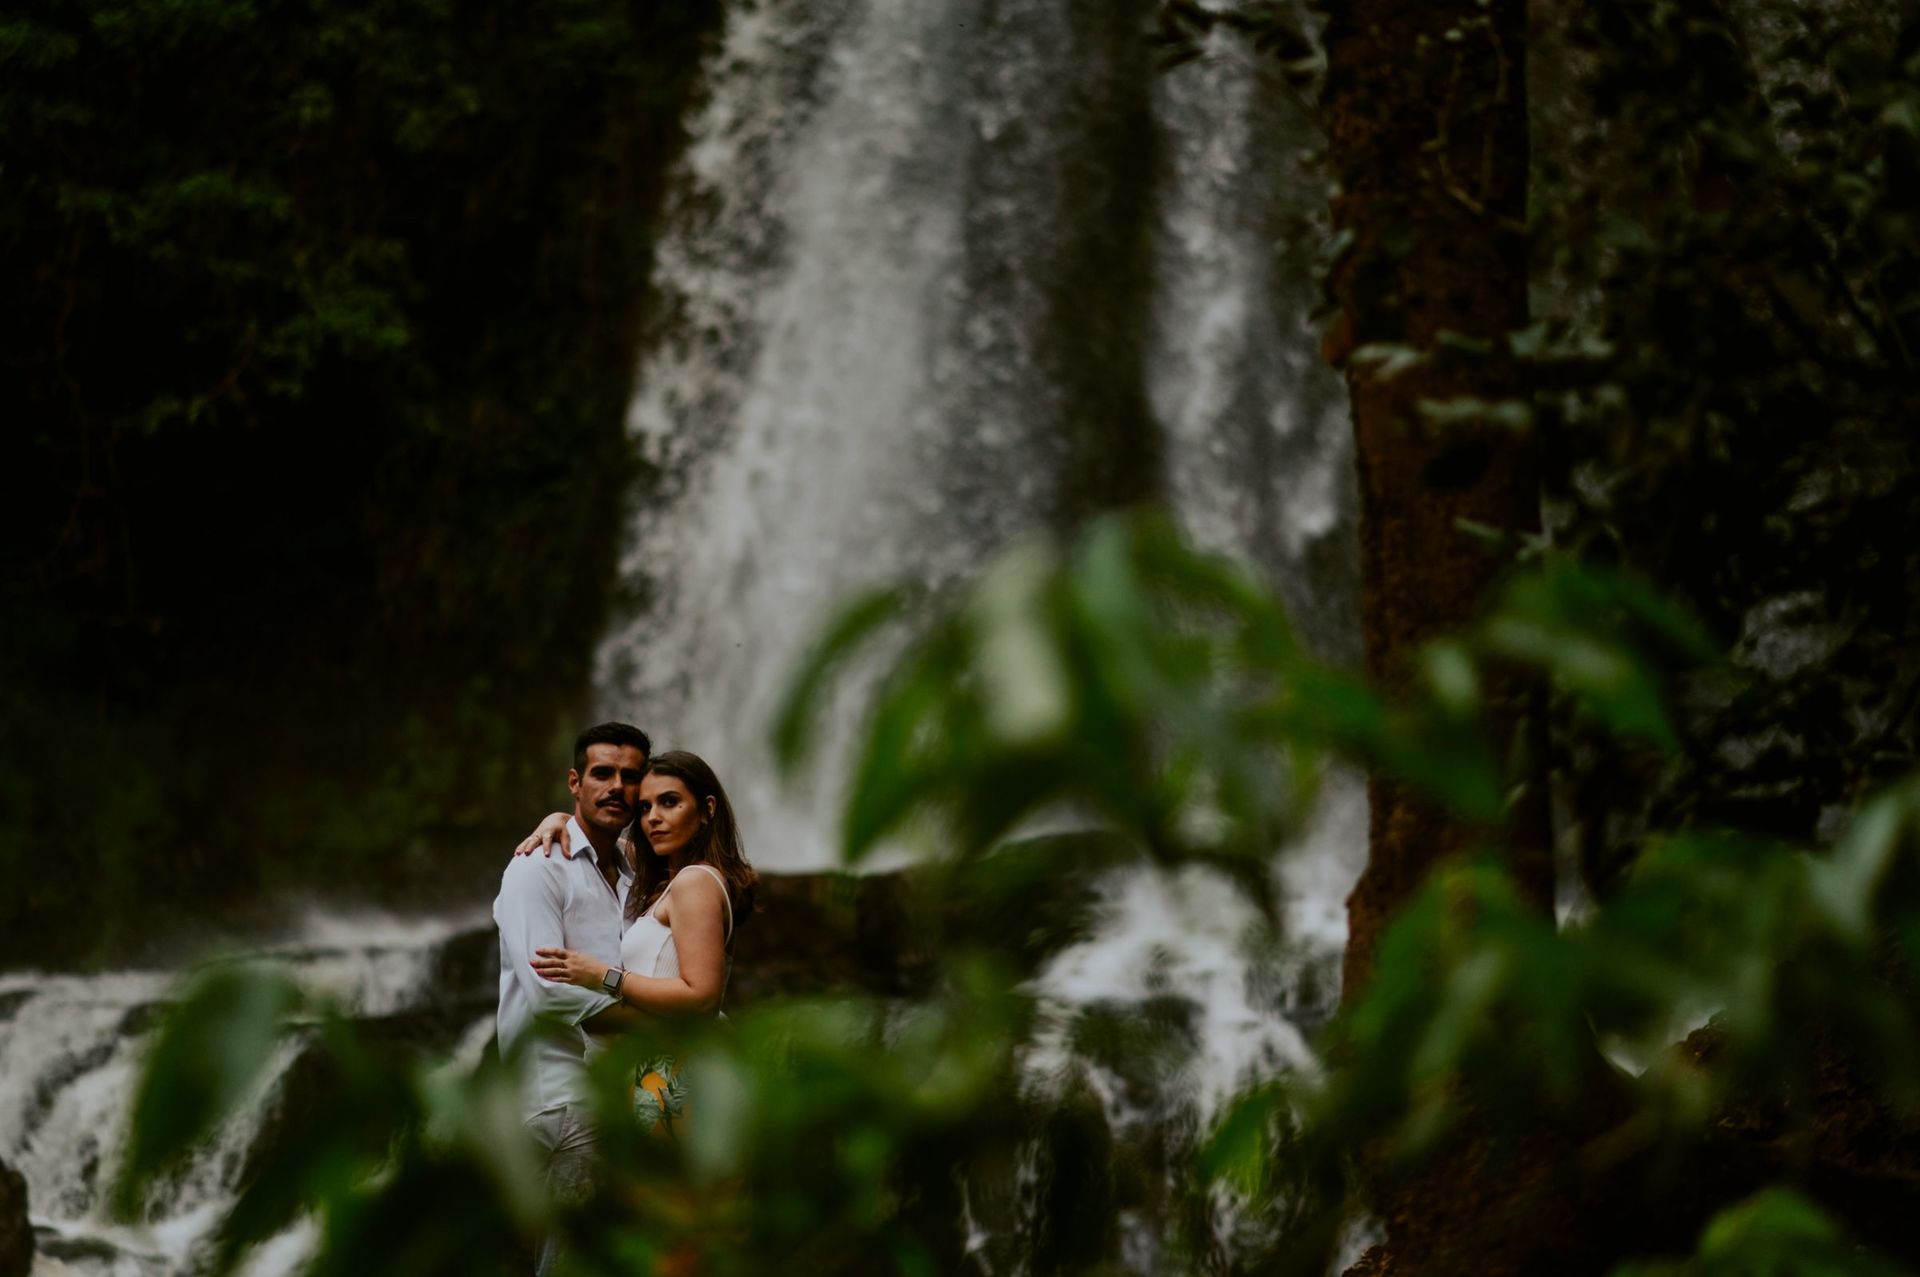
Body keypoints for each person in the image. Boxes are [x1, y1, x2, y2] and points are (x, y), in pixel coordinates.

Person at [518, 750, 757, 1138]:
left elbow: (702, 997)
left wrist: (603, 976)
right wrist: (560, 819)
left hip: (680, 1068)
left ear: (707, 809)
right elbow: (598, 838)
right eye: (644, 807)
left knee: (686, 1191)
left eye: (670, 802)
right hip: (659, 1070)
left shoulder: (694, 882)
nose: (653, 819)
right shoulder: (671, 879)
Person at [493, 720, 653, 1275]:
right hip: (557, 1103)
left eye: (630, 777)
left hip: (615, 1105)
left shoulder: (637, 875)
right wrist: (659, 1022)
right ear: (574, 782)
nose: (617, 787)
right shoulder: (537, 868)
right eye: (602, 773)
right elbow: (549, 997)